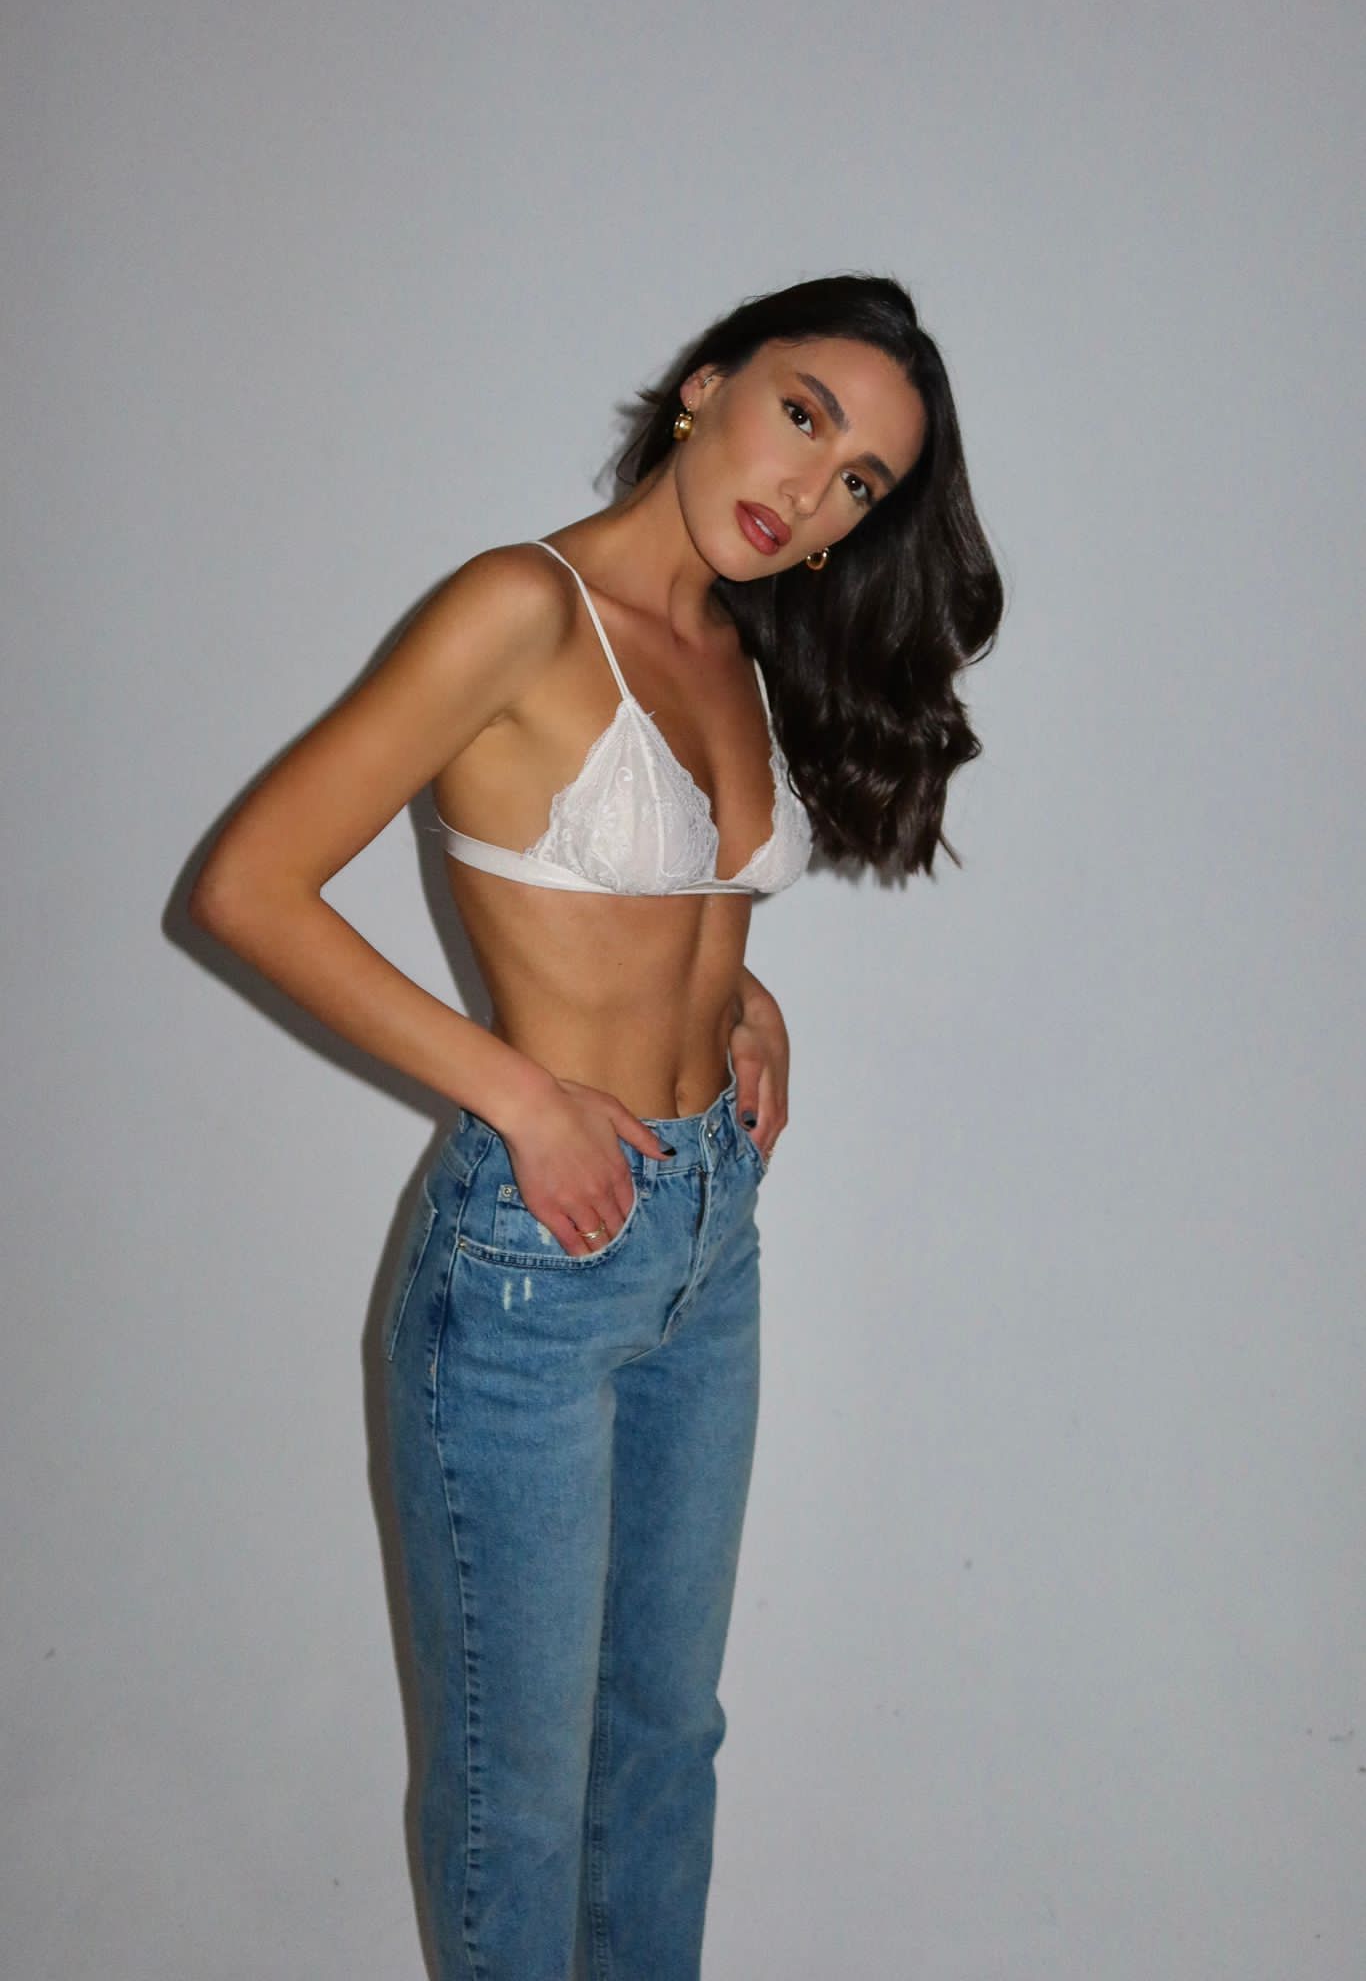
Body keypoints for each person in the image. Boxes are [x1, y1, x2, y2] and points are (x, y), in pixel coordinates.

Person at [188, 272, 1004, 1980]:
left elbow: (646, 891)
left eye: (860, 480)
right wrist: (514, 1090)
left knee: (663, 1745)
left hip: (709, 1242)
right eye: (801, 414)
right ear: (706, 385)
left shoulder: (734, 643)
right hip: (532, 1265)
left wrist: (741, 995)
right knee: (522, 1793)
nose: (812, 487)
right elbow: (251, 883)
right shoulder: (519, 605)